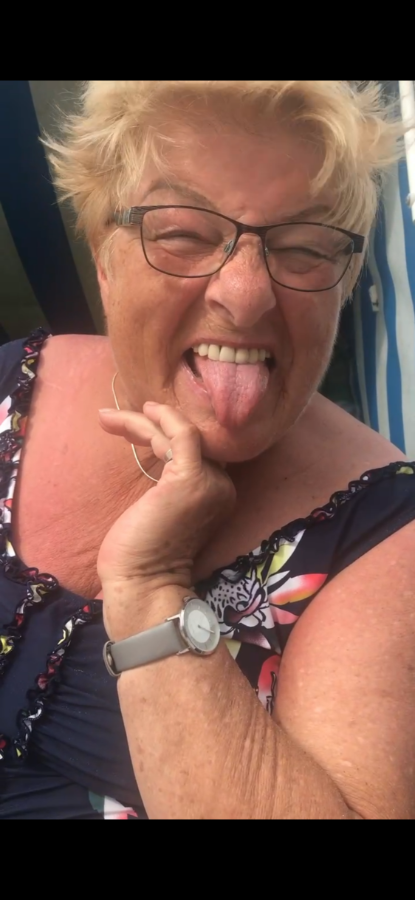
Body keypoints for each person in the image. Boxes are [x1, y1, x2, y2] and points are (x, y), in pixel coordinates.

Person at [0, 80, 414, 820]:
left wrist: (150, 589)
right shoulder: (11, 382)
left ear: (344, 282)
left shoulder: (390, 537)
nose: (245, 295)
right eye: (183, 234)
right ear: (103, 254)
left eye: (302, 247)